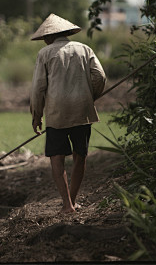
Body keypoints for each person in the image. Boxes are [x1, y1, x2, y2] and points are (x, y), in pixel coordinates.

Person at [29, 13, 106, 214]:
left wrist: (37, 114)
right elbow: (100, 77)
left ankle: (67, 205)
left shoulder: (45, 54)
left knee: (56, 156)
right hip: (82, 110)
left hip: (57, 112)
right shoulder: (84, 49)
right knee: (80, 155)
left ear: (49, 36)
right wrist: (90, 97)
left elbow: (38, 88)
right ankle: (72, 201)